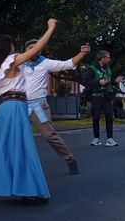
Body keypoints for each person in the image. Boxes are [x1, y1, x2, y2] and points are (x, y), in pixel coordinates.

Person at [0, 19, 57, 201]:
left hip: (4, 108)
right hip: (16, 106)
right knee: (20, 146)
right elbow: (36, 49)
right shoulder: (12, 60)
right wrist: (51, 28)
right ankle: (26, 189)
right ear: (9, 47)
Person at [21, 40, 89, 174]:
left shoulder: (46, 63)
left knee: (49, 135)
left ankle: (69, 160)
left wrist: (82, 54)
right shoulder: (19, 63)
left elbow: (68, 64)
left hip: (38, 105)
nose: (35, 49)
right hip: (20, 105)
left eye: (37, 47)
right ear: (26, 50)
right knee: (17, 136)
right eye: (31, 47)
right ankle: (21, 169)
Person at [82, 50, 124, 146]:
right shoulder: (91, 69)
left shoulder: (107, 69)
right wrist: (98, 82)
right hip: (96, 96)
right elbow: (86, 81)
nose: (109, 59)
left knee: (109, 117)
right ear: (102, 58)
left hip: (107, 96)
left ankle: (110, 139)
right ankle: (96, 138)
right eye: (108, 57)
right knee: (96, 117)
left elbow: (108, 82)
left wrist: (114, 81)